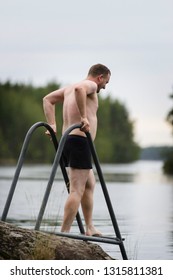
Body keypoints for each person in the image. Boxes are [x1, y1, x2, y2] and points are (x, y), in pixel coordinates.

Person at [43, 63, 111, 236]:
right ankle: (63, 234)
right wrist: (83, 117)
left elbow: (47, 100)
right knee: (76, 190)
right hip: (80, 141)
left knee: (89, 183)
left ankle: (89, 227)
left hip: (69, 140)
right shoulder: (90, 85)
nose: (104, 87)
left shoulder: (68, 88)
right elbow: (80, 89)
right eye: (106, 83)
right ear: (100, 77)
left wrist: (52, 124)